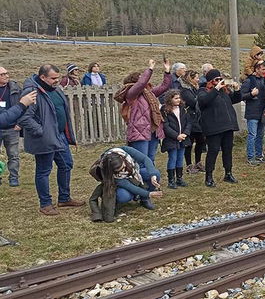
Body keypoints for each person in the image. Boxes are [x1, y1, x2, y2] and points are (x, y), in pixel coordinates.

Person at [19, 64, 84, 215]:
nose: (57, 81)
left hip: (59, 136)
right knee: (44, 170)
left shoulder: (56, 89)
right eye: (53, 78)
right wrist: (41, 131)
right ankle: (45, 204)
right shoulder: (31, 92)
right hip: (45, 138)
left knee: (66, 164)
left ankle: (64, 198)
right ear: (42, 77)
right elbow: (24, 117)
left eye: (58, 77)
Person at [114, 59, 173, 164]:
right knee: (141, 161)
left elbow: (164, 86)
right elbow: (141, 83)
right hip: (139, 131)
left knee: (151, 159)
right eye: (140, 77)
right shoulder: (131, 93)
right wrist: (150, 69)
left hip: (153, 129)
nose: (144, 79)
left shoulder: (148, 93)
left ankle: (151, 180)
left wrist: (167, 71)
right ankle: (141, 180)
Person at [88, 146, 163, 221]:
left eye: (123, 166)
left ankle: (144, 199)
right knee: (123, 196)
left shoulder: (124, 151)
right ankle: (135, 196)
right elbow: (129, 186)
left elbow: (145, 159)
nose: (123, 169)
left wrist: (152, 175)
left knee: (156, 173)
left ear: (121, 158)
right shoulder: (109, 172)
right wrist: (148, 193)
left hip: (135, 174)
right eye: (120, 170)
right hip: (125, 182)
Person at [198, 69, 242, 187]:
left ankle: (228, 173)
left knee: (228, 151)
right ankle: (209, 176)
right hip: (214, 127)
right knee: (213, 151)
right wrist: (216, 89)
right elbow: (204, 102)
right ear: (210, 81)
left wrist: (237, 89)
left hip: (228, 125)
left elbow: (235, 99)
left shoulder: (224, 91)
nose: (219, 82)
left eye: (220, 79)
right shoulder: (203, 91)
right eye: (216, 80)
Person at [0, 66, 37, 187]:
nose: (6, 76)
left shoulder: (14, 88)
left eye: (6, 73)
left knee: (13, 154)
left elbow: (25, 106)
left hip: (12, 128)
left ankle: (14, 178)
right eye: (2, 74)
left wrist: (20, 123)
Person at [161, 90, 192, 189]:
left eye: (179, 98)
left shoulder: (184, 109)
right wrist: (176, 135)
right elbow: (166, 126)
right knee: (173, 158)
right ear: (170, 99)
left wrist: (185, 133)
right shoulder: (165, 110)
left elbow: (189, 122)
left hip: (183, 138)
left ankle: (179, 178)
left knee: (180, 158)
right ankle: (171, 180)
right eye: (176, 98)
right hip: (171, 139)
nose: (178, 100)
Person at [241, 60, 265, 165]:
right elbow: (242, 95)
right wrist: (251, 94)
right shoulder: (249, 81)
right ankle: (251, 157)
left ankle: (259, 155)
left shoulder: (264, 80)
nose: (264, 71)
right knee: (252, 135)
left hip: (262, 111)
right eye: (263, 69)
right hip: (252, 112)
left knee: (260, 135)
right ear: (257, 69)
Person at [178, 70, 206, 173]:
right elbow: (193, 102)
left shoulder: (195, 89)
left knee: (200, 141)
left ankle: (198, 162)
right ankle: (189, 164)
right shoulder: (185, 90)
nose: (198, 80)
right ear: (191, 79)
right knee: (189, 143)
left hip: (197, 119)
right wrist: (201, 99)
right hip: (190, 119)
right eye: (196, 78)